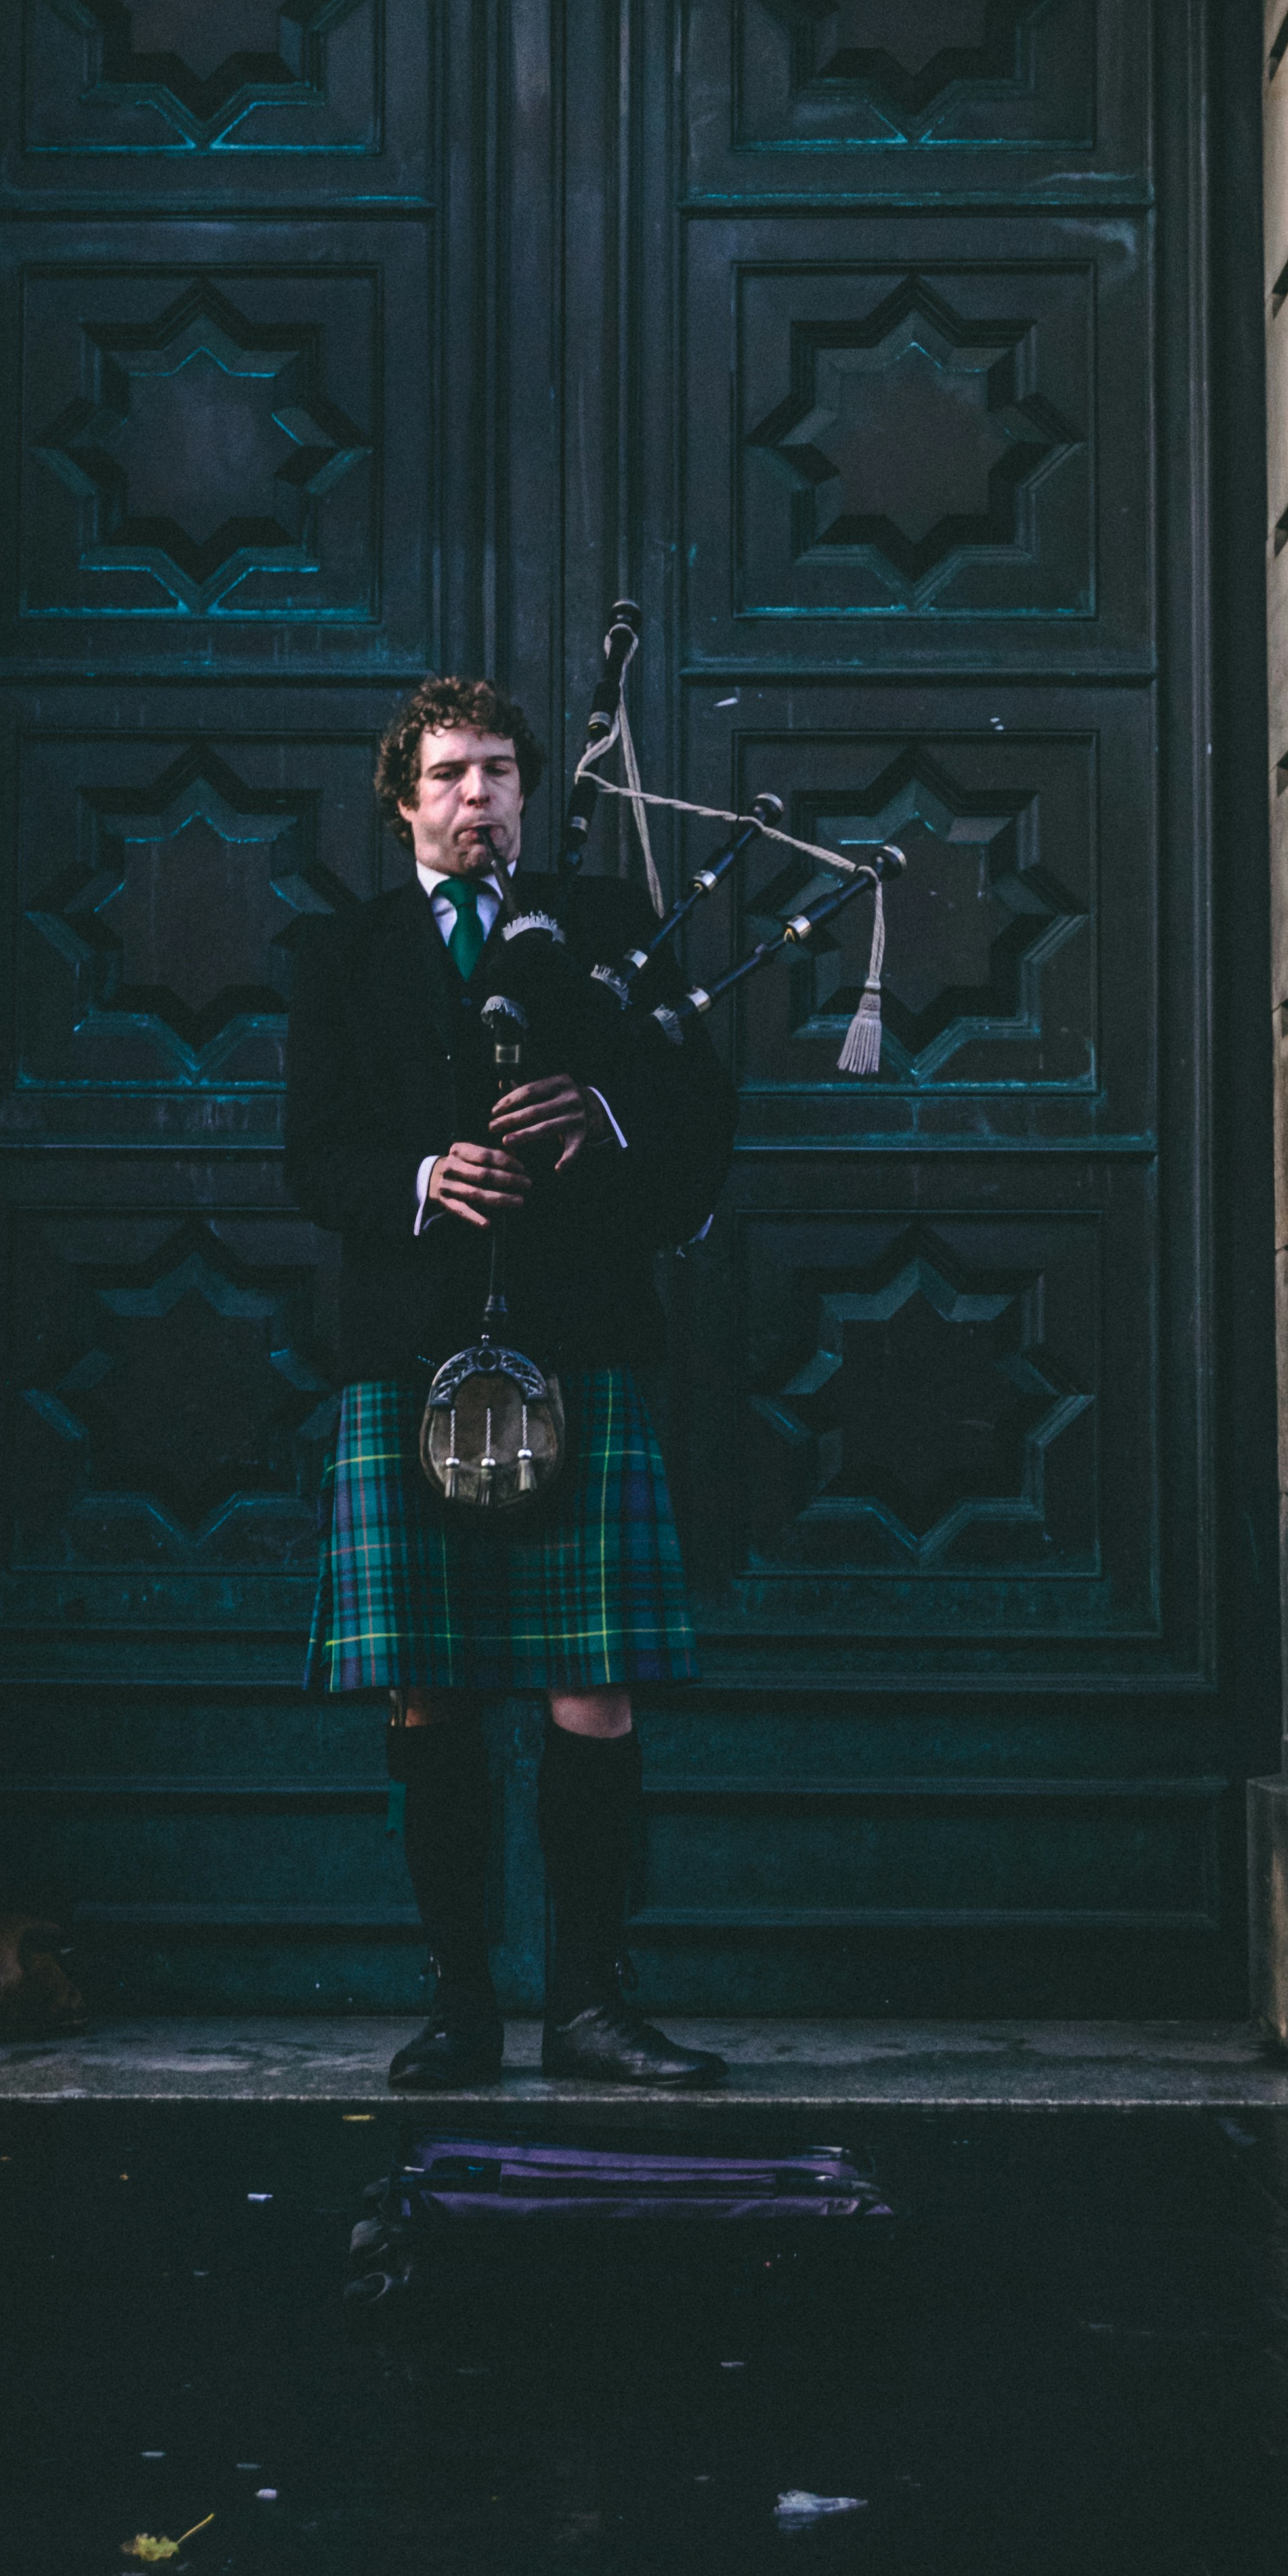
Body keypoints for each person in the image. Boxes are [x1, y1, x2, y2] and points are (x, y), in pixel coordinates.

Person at [284, 675, 734, 2088]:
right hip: (415, 1358)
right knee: (427, 1696)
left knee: (591, 1695)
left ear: (531, 789)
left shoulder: (606, 935)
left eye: (498, 771)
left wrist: (602, 1114)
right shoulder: (341, 954)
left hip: (579, 1341)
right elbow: (312, 1158)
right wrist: (423, 1177)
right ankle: (461, 2003)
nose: (478, 796)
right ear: (401, 801)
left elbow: (701, 1114)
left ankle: (591, 2004)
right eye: (448, 775)